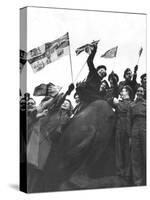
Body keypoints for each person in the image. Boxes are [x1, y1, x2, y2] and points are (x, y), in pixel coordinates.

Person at [113, 85, 133, 180]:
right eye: (121, 91)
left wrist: (117, 104)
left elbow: (123, 109)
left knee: (126, 151)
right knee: (118, 150)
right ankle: (119, 172)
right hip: (119, 126)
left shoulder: (130, 103)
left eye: (123, 91)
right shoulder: (120, 102)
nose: (121, 92)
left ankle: (127, 173)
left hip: (127, 127)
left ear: (128, 92)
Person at [128, 86, 146, 185]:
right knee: (136, 156)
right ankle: (137, 181)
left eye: (141, 91)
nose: (139, 92)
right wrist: (130, 135)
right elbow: (129, 120)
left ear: (144, 93)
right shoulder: (132, 105)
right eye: (138, 91)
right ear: (136, 93)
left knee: (146, 154)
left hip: (145, 128)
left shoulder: (147, 103)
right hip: (135, 128)